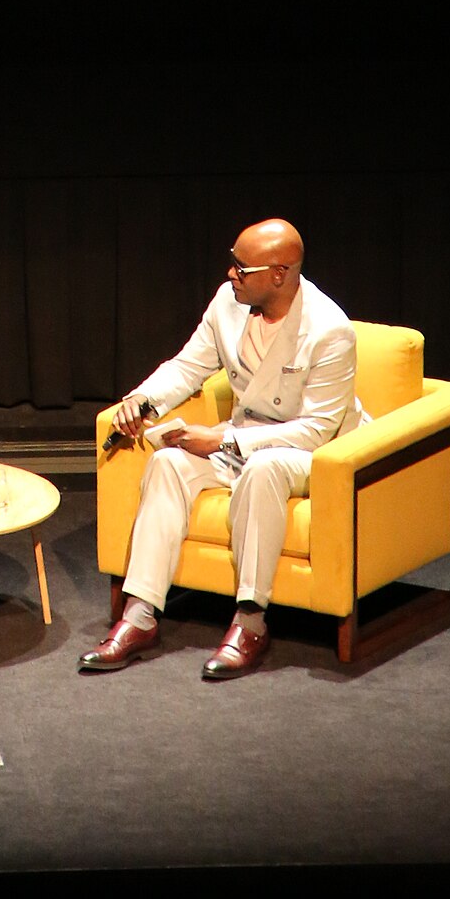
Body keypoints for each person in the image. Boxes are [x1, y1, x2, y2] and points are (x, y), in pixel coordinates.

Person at [78, 217, 365, 682]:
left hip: (311, 453)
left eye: (241, 268)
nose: (231, 274)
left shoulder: (330, 330)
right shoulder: (227, 304)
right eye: (232, 263)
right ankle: (139, 615)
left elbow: (315, 431)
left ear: (280, 273)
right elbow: (187, 367)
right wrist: (141, 402)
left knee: (264, 469)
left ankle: (250, 622)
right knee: (169, 462)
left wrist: (223, 439)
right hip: (244, 435)